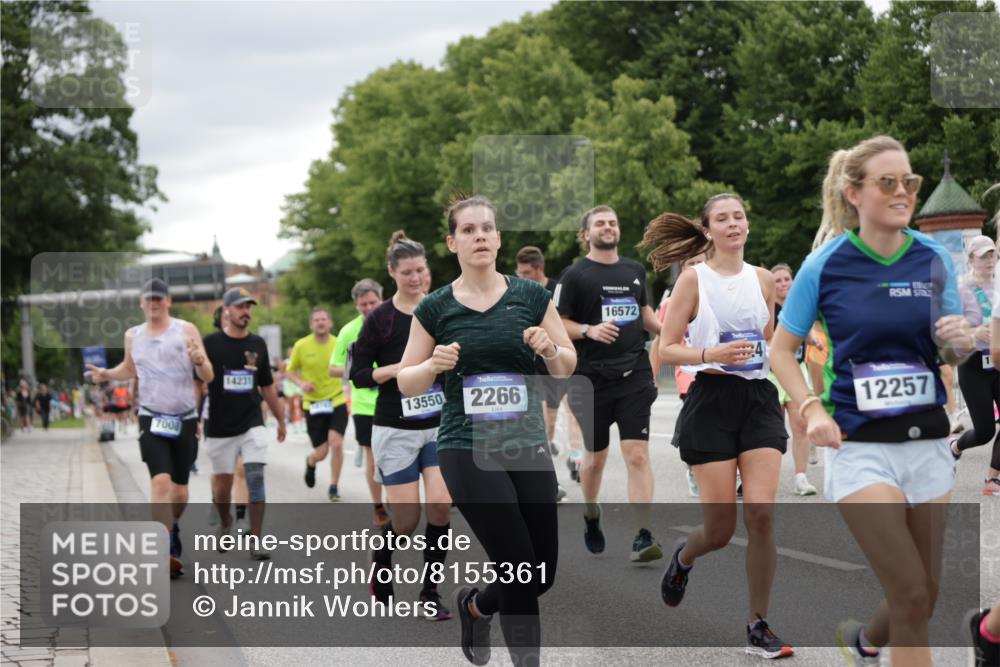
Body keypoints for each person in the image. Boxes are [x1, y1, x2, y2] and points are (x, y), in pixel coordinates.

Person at [772, 135, 971, 667]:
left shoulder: (931, 259)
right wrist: (810, 408)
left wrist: (961, 340)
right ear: (853, 192)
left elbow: (951, 347)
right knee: (910, 592)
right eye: (889, 182)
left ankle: (865, 642)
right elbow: (782, 351)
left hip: (927, 442)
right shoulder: (825, 266)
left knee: (923, 593)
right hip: (859, 446)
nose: (903, 191)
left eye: (910, 181)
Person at [399, 195, 576, 667]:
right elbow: (405, 379)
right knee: (519, 565)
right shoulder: (435, 308)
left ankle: (475, 606)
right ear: (452, 242)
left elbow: (566, 367)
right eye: (469, 229)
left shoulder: (532, 297)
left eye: (488, 229)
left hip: (526, 445)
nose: (480, 236)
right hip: (466, 448)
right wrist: (432, 365)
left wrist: (551, 347)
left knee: (541, 574)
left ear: (498, 239)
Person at [645, 194, 793, 659]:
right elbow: (667, 348)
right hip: (710, 401)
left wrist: (800, 387)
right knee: (721, 529)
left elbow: (770, 341)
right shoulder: (694, 280)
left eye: (740, 216)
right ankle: (685, 557)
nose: (734, 224)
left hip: (757, 400)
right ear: (707, 230)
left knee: (762, 514)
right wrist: (711, 355)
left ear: (748, 225)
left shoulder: (763, 279)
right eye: (723, 218)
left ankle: (758, 623)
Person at [351, 233, 453, 619]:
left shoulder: (442, 308)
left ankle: (430, 592)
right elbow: (359, 374)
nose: (416, 278)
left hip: (438, 423)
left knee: (441, 504)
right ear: (392, 273)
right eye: (407, 272)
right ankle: (382, 559)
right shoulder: (381, 319)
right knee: (407, 520)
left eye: (421, 270)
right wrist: (395, 370)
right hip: (395, 427)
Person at [555, 205, 663, 562]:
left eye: (612, 222)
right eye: (599, 223)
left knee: (637, 454)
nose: (607, 227)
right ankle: (590, 512)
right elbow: (558, 323)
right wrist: (589, 330)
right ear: (586, 233)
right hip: (590, 380)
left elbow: (645, 314)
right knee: (595, 460)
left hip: (634, 374)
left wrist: (675, 329)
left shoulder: (634, 270)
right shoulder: (574, 276)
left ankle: (643, 534)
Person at [86, 278, 213, 578]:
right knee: (160, 483)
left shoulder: (185, 330)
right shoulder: (133, 335)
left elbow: (208, 374)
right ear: (141, 303)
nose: (154, 303)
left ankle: (173, 525)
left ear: (168, 300)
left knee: (180, 492)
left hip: (183, 418)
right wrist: (106, 374)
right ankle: (165, 547)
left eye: (159, 298)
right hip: (151, 417)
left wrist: (198, 361)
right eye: (149, 299)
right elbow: (129, 369)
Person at [203, 287, 287, 561]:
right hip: (219, 425)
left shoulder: (257, 344)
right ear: (226, 310)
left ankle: (256, 539)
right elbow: (198, 382)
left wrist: (281, 419)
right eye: (239, 307)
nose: (245, 312)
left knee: (254, 477)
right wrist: (192, 417)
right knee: (223, 487)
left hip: (252, 423)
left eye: (248, 307)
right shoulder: (210, 343)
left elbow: (268, 387)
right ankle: (226, 522)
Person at [516, 245, 571, 501]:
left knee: (549, 423)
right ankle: (545, 481)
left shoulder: (556, 289)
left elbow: (565, 327)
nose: (523, 277)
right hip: (530, 367)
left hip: (553, 363)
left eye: (527, 272)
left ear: (540, 269)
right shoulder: (518, 291)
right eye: (520, 272)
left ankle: (544, 472)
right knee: (535, 420)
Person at [331, 278, 388, 526]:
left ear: (381, 299)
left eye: (372, 302)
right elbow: (333, 368)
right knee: (373, 457)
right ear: (356, 305)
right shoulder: (348, 331)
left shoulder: (396, 319)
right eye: (363, 304)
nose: (368, 308)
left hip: (397, 399)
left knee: (399, 455)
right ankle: (379, 507)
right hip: (364, 404)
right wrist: (358, 371)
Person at [650, 253, 706, 497]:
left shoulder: (723, 294)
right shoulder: (670, 302)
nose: (696, 268)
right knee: (698, 427)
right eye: (691, 264)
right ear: (682, 270)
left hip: (719, 370)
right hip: (688, 375)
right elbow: (659, 343)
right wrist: (650, 379)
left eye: (701, 262)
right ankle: (694, 467)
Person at [952, 235, 1000, 496]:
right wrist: (974, 333)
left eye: (991, 254)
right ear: (971, 260)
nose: (989, 260)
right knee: (984, 431)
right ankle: (954, 449)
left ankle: (993, 480)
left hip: (999, 361)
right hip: (972, 365)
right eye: (983, 256)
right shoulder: (962, 290)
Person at [769, 263, 819, 497]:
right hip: (770, 373)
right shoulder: (766, 308)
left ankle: (801, 477)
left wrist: (814, 340)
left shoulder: (797, 306)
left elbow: (805, 333)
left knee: (801, 425)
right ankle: (760, 476)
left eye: (786, 279)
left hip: (795, 370)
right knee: (772, 431)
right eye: (777, 280)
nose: (782, 284)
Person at [288, 307, 348, 501]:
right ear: (311, 324)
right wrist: (301, 384)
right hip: (313, 404)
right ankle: (311, 461)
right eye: (316, 320)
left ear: (330, 322)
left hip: (336, 399)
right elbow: (289, 371)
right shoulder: (301, 345)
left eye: (324, 319)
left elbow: (348, 366)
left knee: (336, 443)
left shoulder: (338, 342)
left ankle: (333, 486)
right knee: (321, 452)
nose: (320, 322)